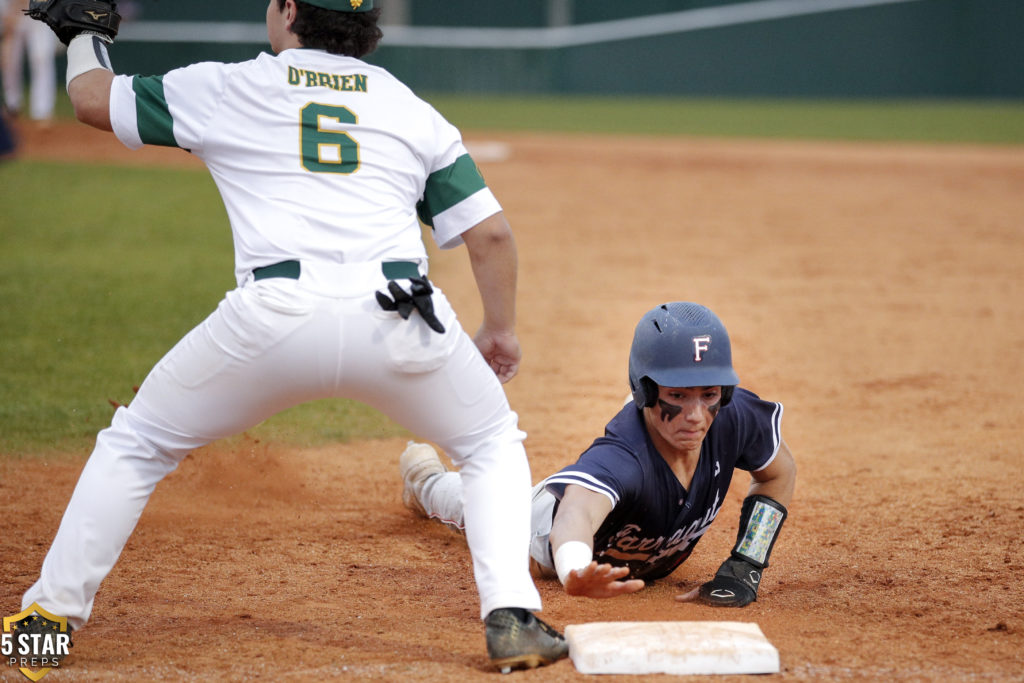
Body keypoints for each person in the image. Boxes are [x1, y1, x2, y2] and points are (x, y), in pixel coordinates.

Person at [21, 0, 567, 672]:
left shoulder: (232, 84)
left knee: (137, 444)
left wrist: (84, 35)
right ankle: (510, 619)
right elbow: (488, 235)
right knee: (488, 442)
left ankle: (46, 621)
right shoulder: (407, 107)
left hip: (272, 317)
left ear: (287, 12)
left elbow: (91, 99)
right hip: (398, 318)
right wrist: (500, 330)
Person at [402, 301, 797, 606]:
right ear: (644, 389)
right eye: (677, 395)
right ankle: (426, 482)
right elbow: (575, 515)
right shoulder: (625, 457)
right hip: (540, 535)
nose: (696, 415)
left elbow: (779, 472)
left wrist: (746, 565)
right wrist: (575, 569)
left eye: (709, 394)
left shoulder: (733, 418)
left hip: (645, 559)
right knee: (483, 511)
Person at [1, 0, 58, 122]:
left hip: (40, 10)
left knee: (41, 58)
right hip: (11, 8)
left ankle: (42, 111)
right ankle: (12, 105)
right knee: (10, 61)